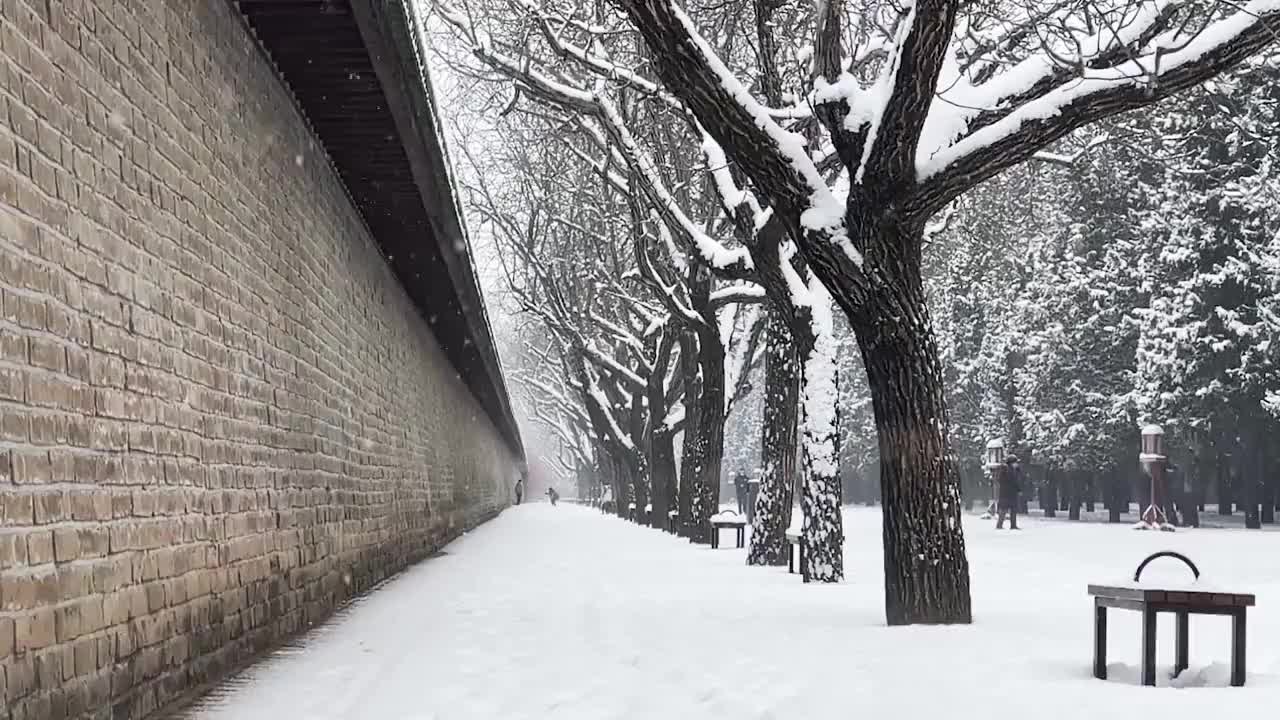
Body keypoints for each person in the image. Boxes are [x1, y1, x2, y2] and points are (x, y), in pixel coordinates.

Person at [996, 454, 1023, 530]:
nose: (1016, 464)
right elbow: (1009, 480)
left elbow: (1016, 480)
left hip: (1011, 492)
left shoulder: (1014, 470)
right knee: (1003, 509)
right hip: (1006, 492)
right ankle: (999, 525)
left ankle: (1013, 525)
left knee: (1013, 509)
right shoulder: (1005, 469)